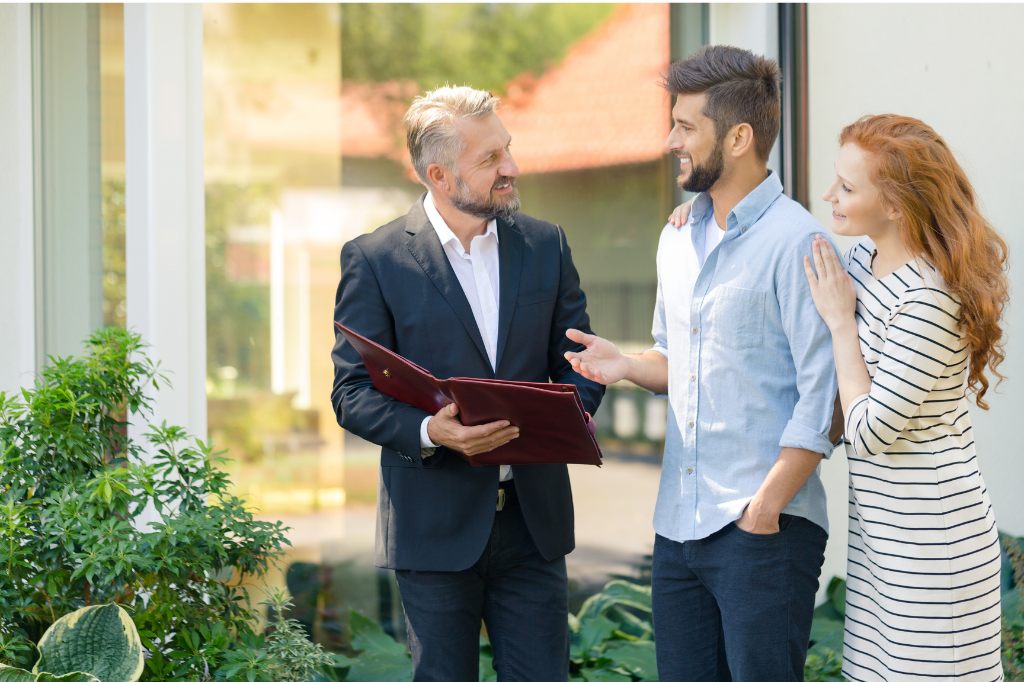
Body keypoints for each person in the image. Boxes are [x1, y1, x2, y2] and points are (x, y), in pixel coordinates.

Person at [564, 45, 839, 680]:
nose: (670, 142)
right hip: (679, 528)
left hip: (764, 530)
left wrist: (763, 510)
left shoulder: (798, 242)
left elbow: (824, 398)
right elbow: (676, 357)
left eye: (686, 126)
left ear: (738, 137)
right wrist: (628, 365)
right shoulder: (678, 237)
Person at [330, 85, 604, 682]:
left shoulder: (546, 245)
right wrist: (432, 431)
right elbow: (351, 393)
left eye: (507, 148)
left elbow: (579, 362)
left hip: (533, 524)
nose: (511, 167)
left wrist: (565, 420)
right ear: (438, 174)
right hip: (433, 527)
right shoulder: (375, 259)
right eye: (490, 159)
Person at [804, 114, 1006, 681]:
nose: (829, 195)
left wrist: (842, 325)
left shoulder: (929, 299)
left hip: (933, 545)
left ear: (894, 205)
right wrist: (701, 216)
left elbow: (869, 431)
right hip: (881, 539)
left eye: (847, 187)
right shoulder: (861, 263)